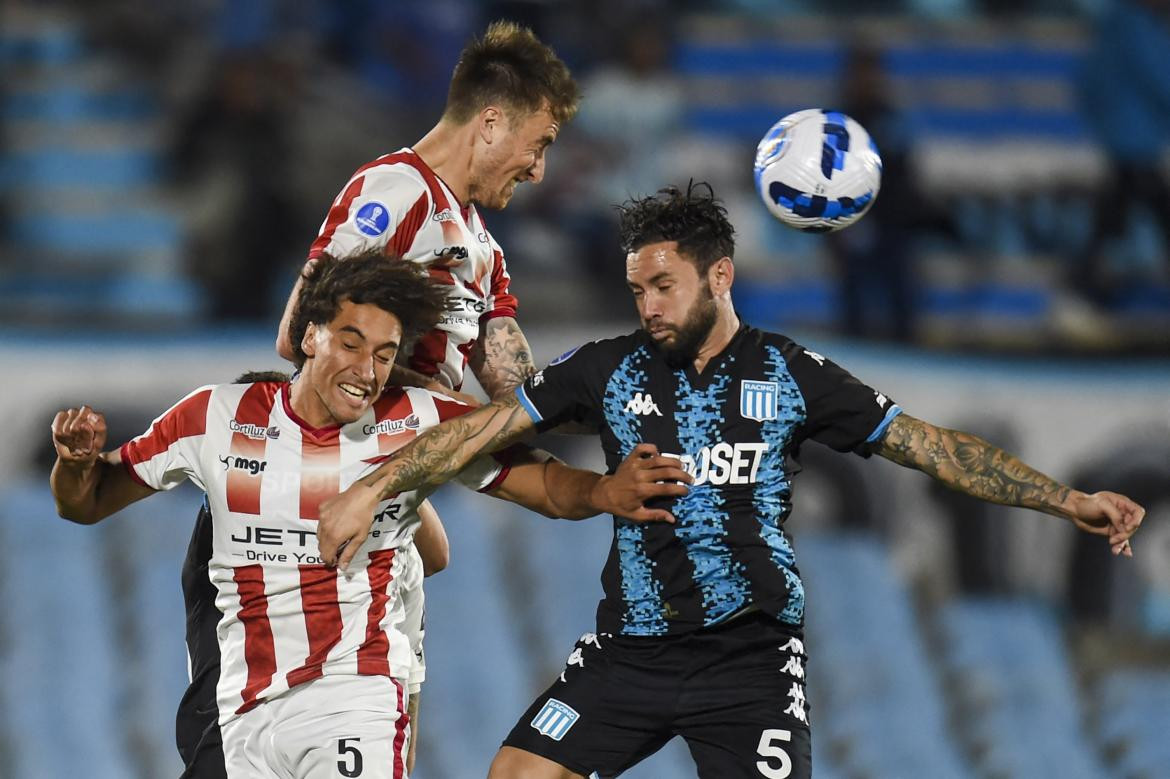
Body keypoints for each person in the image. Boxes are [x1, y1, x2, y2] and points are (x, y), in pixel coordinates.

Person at [314, 183, 1146, 779]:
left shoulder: (791, 374)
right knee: (518, 773)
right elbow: (482, 430)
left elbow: (929, 447)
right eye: (638, 288)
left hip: (748, 660)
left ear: (720, 277)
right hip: (628, 651)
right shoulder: (607, 370)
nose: (648, 306)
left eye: (664, 286)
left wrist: (1065, 497)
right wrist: (370, 488)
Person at [50, 251, 685, 778]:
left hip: (356, 697)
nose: (367, 370)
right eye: (351, 343)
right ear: (308, 336)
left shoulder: (418, 421)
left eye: (384, 353)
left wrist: (604, 492)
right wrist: (77, 466)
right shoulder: (214, 416)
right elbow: (89, 503)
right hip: (243, 710)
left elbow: (541, 483)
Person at [275, 19, 580, 402]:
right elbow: (300, 333)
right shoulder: (395, 191)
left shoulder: (484, 246)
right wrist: (443, 401)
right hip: (369, 448)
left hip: (431, 444)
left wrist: (598, 397)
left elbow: (517, 395)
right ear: (490, 123)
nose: (538, 171)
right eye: (539, 144)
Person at [175, 370, 449, 777]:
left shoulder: (371, 530)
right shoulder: (228, 531)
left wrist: (377, 474)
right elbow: (435, 556)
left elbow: (433, 559)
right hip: (236, 721)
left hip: (327, 715)